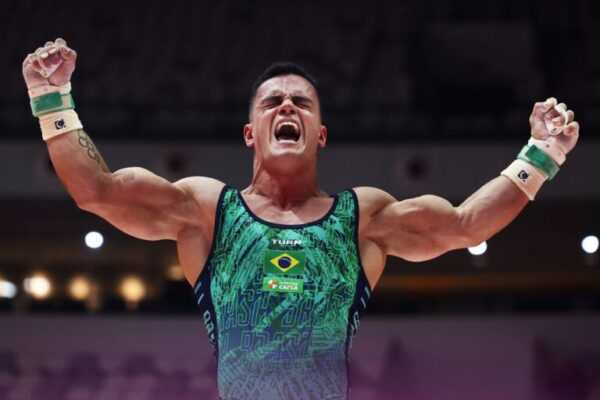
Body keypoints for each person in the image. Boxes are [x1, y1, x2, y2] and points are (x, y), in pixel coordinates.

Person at [22, 38, 580, 400]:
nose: (287, 106)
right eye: (272, 103)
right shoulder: (208, 213)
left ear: (320, 134)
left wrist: (540, 155)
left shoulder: (363, 219)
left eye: (301, 103)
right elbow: (96, 191)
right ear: (250, 134)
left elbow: (465, 225)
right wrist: (52, 99)